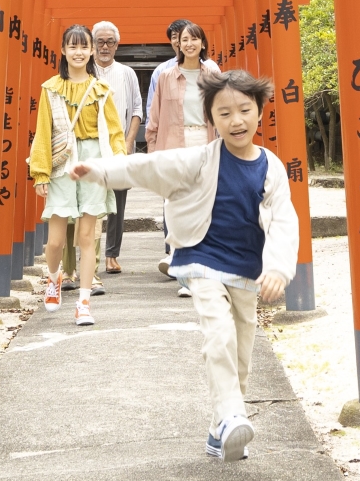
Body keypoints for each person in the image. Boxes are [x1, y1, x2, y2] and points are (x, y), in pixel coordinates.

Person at [70, 71, 294, 461]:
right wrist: (103, 172)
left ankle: (219, 428)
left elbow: (283, 220)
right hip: (202, 260)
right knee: (219, 334)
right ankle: (231, 417)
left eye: (244, 110)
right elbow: (152, 167)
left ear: (260, 112)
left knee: (241, 357)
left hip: (245, 269)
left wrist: (277, 269)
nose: (236, 120)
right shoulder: (201, 159)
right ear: (211, 119)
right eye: (224, 113)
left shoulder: (271, 168)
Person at [27, 24, 124, 327]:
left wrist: (118, 163)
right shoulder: (51, 88)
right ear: (63, 50)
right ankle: (54, 279)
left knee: (86, 236)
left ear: (92, 51)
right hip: (62, 161)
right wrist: (40, 173)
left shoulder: (101, 90)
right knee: (55, 240)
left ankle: (83, 302)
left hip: (94, 161)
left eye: (84, 47)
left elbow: (115, 131)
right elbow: (43, 132)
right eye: (73, 46)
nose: (79, 52)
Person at [141, 20, 224, 296]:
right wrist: (152, 151)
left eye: (194, 39)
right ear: (177, 44)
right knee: (176, 207)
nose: (188, 44)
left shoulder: (212, 73)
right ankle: (184, 273)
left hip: (205, 141)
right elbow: (154, 119)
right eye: (184, 39)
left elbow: (223, 110)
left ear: (203, 43)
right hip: (174, 145)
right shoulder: (166, 75)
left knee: (204, 206)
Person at [90, 20, 147, 273]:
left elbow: (137, 109)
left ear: (117, 45)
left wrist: (127, 141)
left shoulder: (127, 73)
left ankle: (112, 254)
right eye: (100, 41)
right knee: (89, 201)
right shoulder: (85, 71)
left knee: (117, 201)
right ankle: (88, 255)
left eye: (109, 42)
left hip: (120, 147)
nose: (104, 46)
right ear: (93, 44)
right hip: (90, 146)